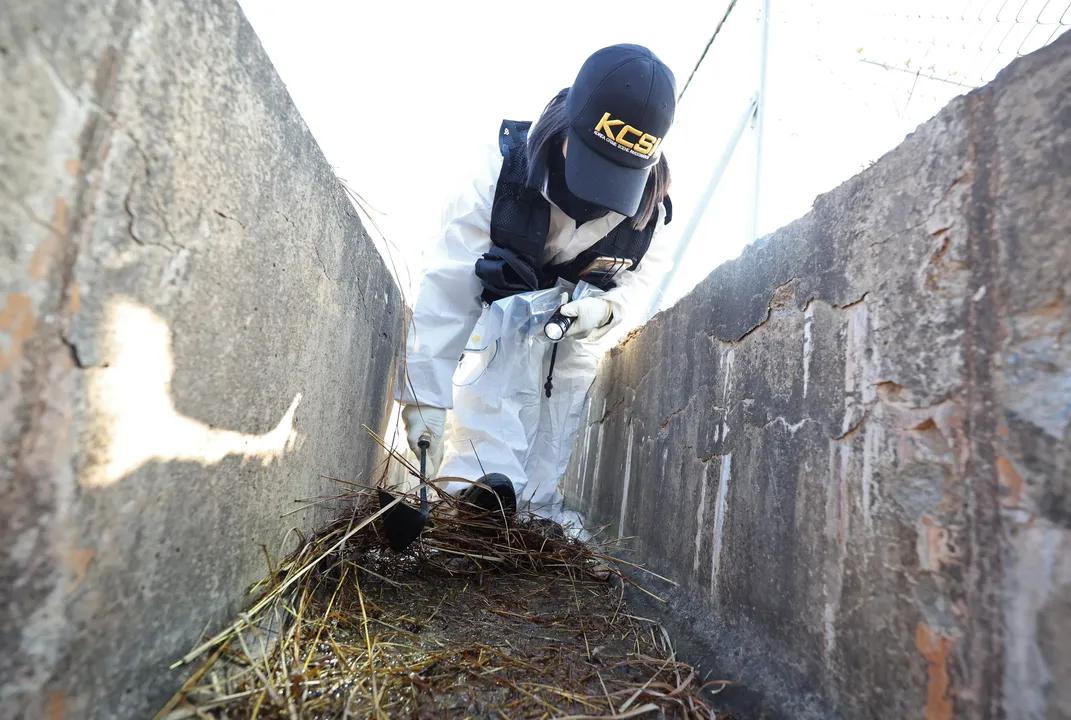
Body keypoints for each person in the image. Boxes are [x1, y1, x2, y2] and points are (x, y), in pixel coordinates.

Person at [395, 43, 676, 526]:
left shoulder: (652, 212)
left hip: (571, 340)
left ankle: (533, 526)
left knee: (555, 427)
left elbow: (641, 279)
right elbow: (446, 290)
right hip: (498, 328)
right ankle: (469, 516)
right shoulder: (497, 175)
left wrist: (609, 310)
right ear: (567, 124)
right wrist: (424, 396)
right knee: (494, 405)